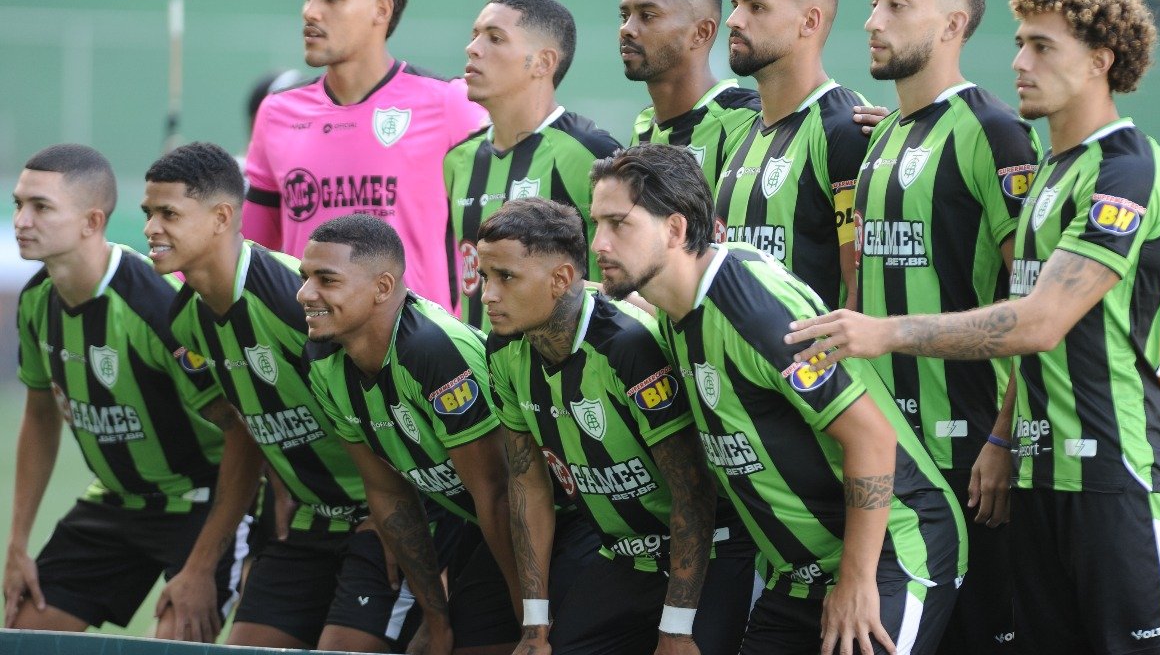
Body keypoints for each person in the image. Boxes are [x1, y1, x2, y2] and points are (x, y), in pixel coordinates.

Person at [789, 0, 1160, 655]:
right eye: (1019, 43)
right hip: (1039, 477)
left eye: (1043, 48)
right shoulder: (1049, 173)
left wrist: (883, 332)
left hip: (1117, 476)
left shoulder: (1127, 166)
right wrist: (1007, 438)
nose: (1018, 62)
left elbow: (1038, 322)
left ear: (1100, 63)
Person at [590, 144, 965, 655]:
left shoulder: (752, 306)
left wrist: (856, 583)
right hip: (797, 577)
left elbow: (872, 437)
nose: (599, 243)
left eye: (617, 224)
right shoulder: (673, 304)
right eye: (596, 224)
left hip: (889, 558)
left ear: (675, 230)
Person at [143, 142, 422, 651]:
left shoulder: (295, 301)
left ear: (222, 217)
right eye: (147, 214)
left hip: (375, 521)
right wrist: (200, 567)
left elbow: (388, 407)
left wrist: (397, 517)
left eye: (168, 214)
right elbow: (247, 429)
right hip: (303, 527)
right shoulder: (185, 320)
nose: (150, 230)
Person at [852, 0, 1042, 652]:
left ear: (952, 25)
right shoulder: (884, 136)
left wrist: (1002, 437)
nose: (873, 20)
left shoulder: (993, 130)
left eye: (897, 5)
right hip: (893, 456)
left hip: (970, 456)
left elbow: (1034, 301)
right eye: (875, 1)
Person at [478, 197, 758, 655]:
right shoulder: (503, 350)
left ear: (561, 279)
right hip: (623, 558)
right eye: (486, 277)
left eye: (505, 277)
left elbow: (694, 491)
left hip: (709, 555)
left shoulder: (628, 345)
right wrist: (534, 623)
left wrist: (677, 626)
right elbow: (528, 484)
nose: (487, 294)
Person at [5, 144, 249, 641]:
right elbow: (39, 416)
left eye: (41, 207)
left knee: (175, 642)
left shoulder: (158, 307)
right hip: (114, 503)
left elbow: (243, 433)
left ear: (92, 222)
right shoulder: (34, 301)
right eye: (18, 204)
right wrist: (17, 545)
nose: (22, 221)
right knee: (25, 636)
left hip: (197, 505)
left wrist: (202, 567)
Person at [299, 214, 557, 655]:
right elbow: (387, 493)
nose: (305, 294)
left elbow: (499, 494)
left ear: (383, 288)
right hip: (480, 527)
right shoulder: (323, 358)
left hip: (553, 527)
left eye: (326, 279)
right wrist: (436, 620)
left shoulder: (430, 349)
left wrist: (530, 626)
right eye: (306, 278)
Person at [243, 0, 484, 313]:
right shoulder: (277, 113)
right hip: (311, 351)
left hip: (418, 356)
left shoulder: (448, 105)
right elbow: (252, 251)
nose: (310, 11)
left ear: (381, 10)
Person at [445, 0, 620, 333]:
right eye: (474, 36)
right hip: (487, 373)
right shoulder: (458, 159)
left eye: (495, 38)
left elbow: (630, 277)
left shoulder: (589, 152)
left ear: (543, 62)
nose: (473, 48)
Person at [715, 0, 873, 311]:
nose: (734, 20)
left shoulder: (845, 129)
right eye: (735, 5)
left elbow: (860, 294)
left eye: (756, 7)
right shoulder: (741, 134)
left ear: (810, 22)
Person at [620, 0, 761, 192]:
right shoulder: (644, 127)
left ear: (701, 33)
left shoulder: (749, 122)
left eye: (648, 16)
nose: (627, 29)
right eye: (625, 16)